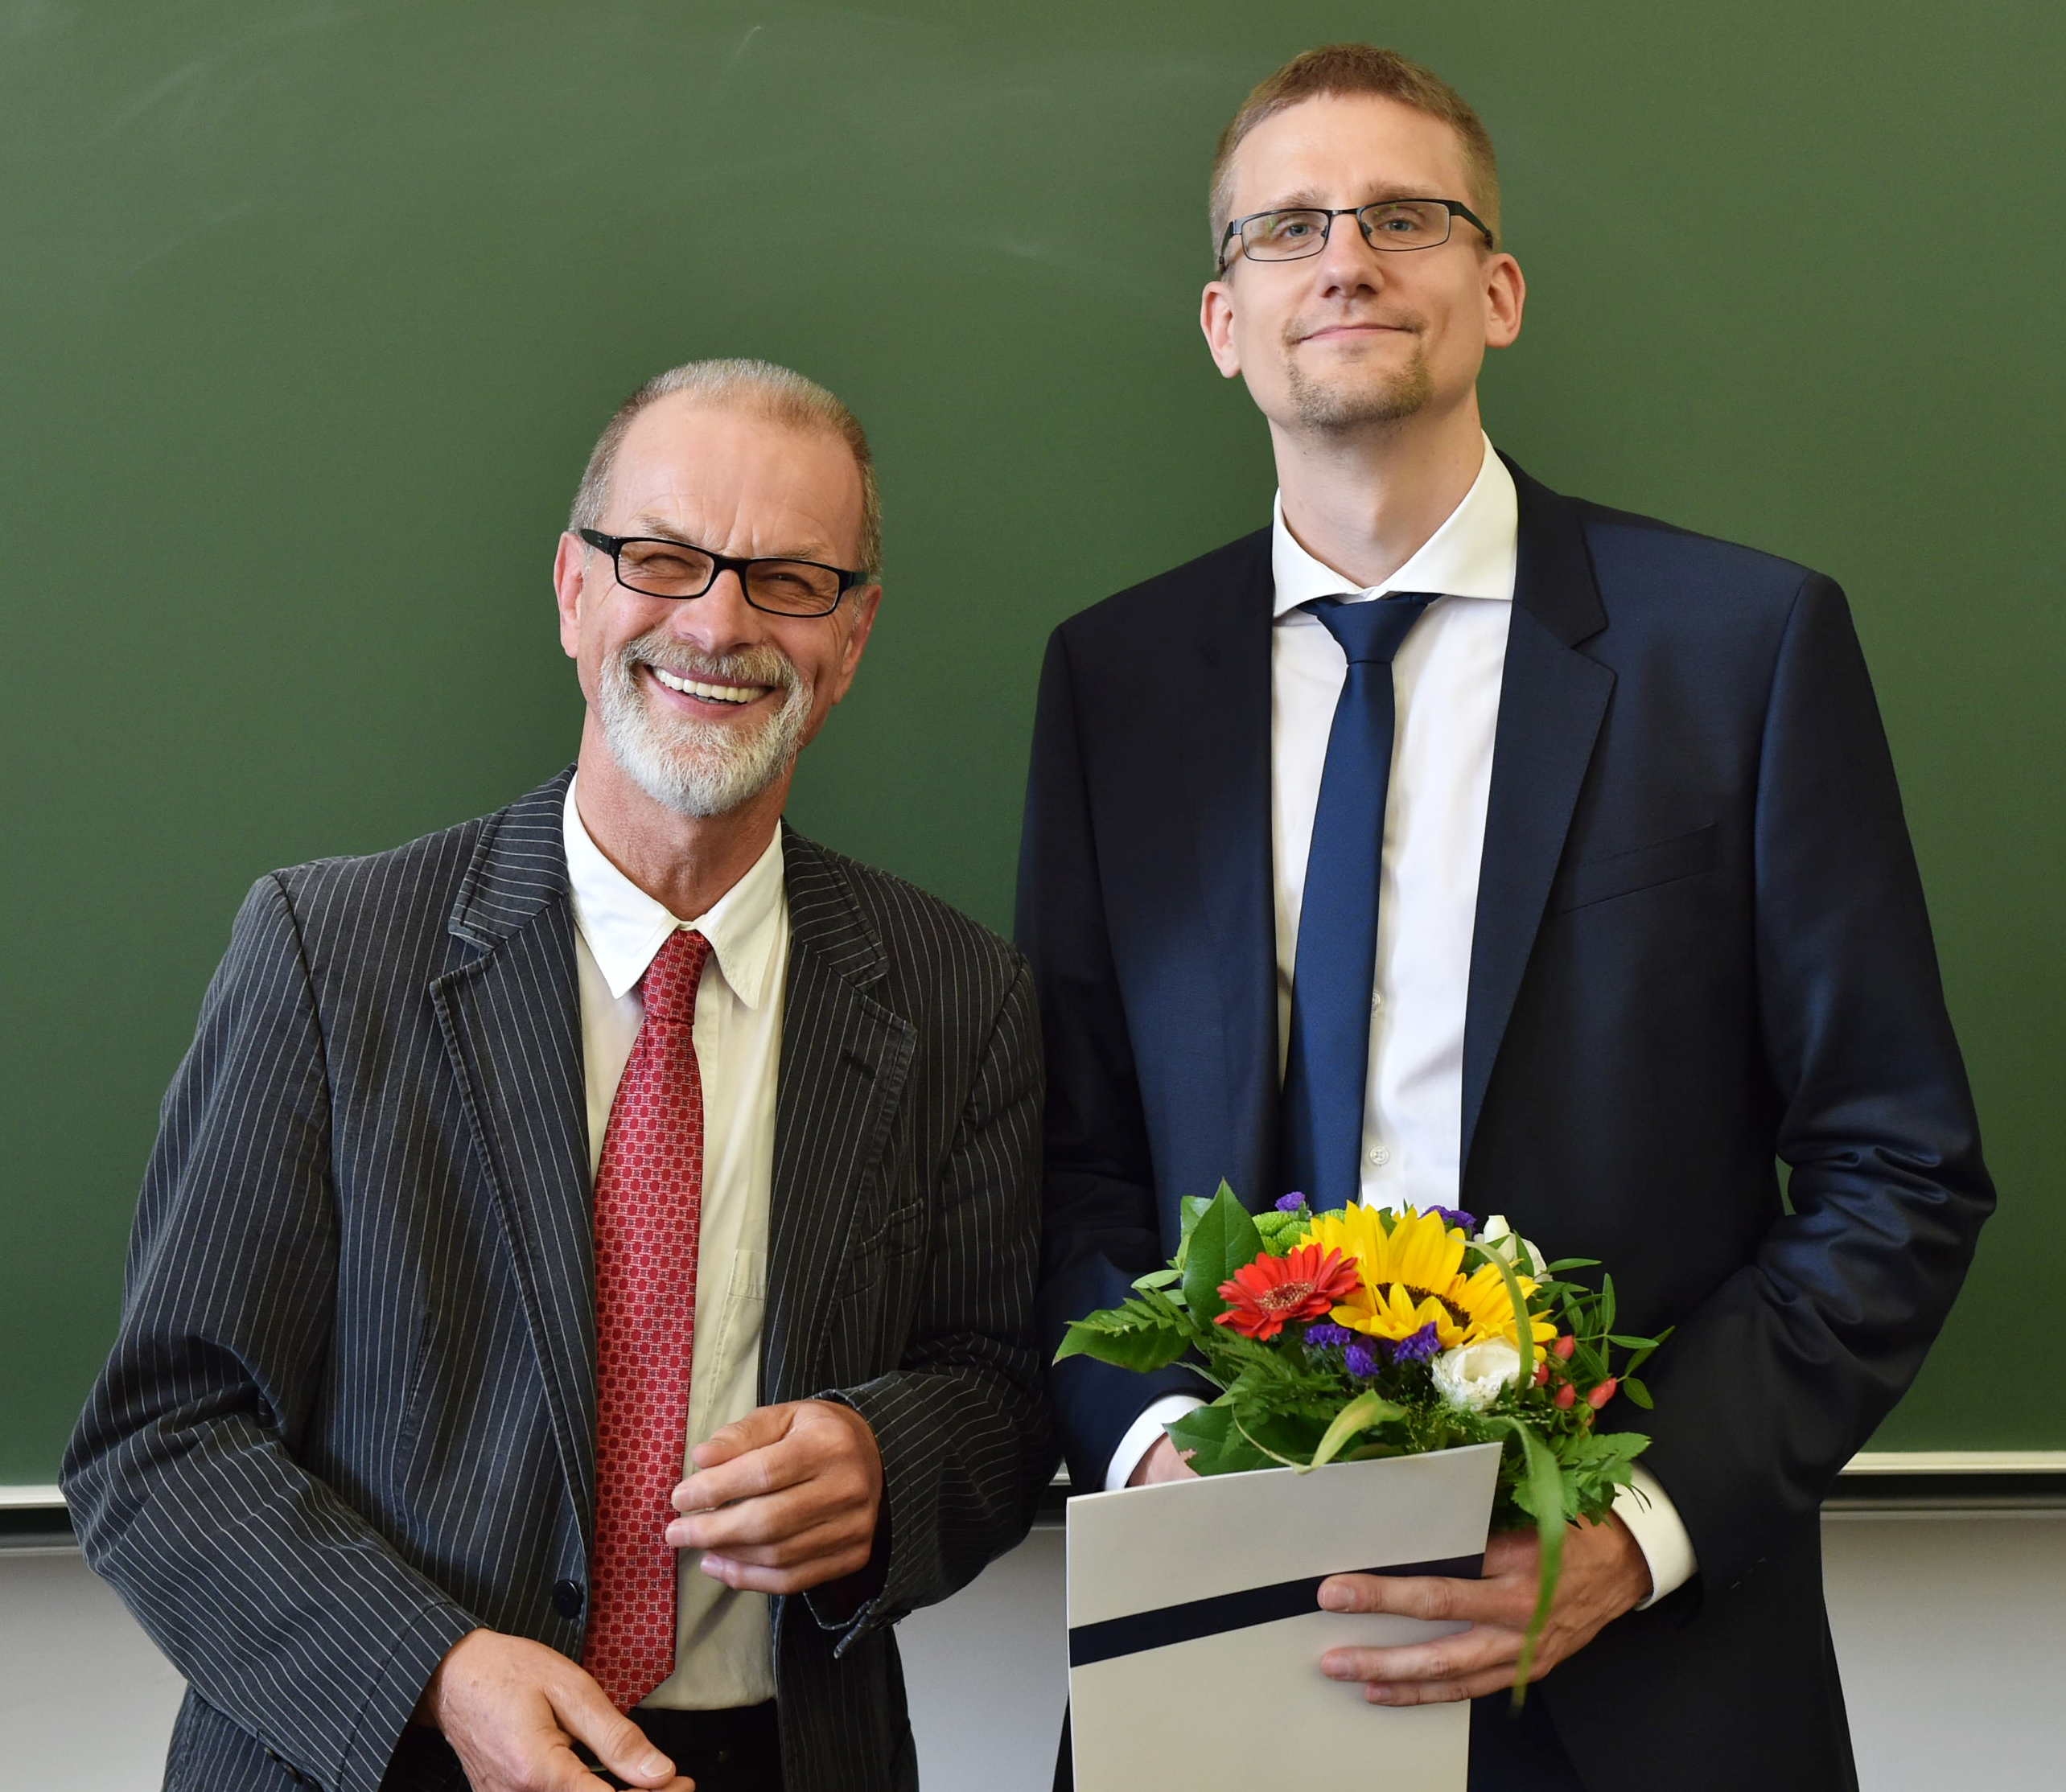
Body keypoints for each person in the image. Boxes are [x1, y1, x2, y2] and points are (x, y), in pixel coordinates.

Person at [1018, 44, 1992, 1792]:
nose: (1346, 259)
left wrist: (1631, 1525)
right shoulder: (1116, 684)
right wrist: (1158, 1448)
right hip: (1222, 1637)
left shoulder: (1743, 652)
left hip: (1640, 1665)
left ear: (1501, 289)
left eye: (1406, 215)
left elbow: (1897, 1169)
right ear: (1225, 319)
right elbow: (1064, 1156)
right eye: (1289, 227)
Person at [64, 359, 1053, 1792]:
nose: (717, 622)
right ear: (576, 592)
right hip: (377, 1753)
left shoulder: (959, 995)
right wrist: (438, 1672)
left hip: (780, 1758)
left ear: (851, 637)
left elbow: (1002, 1395)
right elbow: (160, 1437)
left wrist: (887, 1461)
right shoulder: (326, 955)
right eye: (662, 559)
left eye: (787, 580)